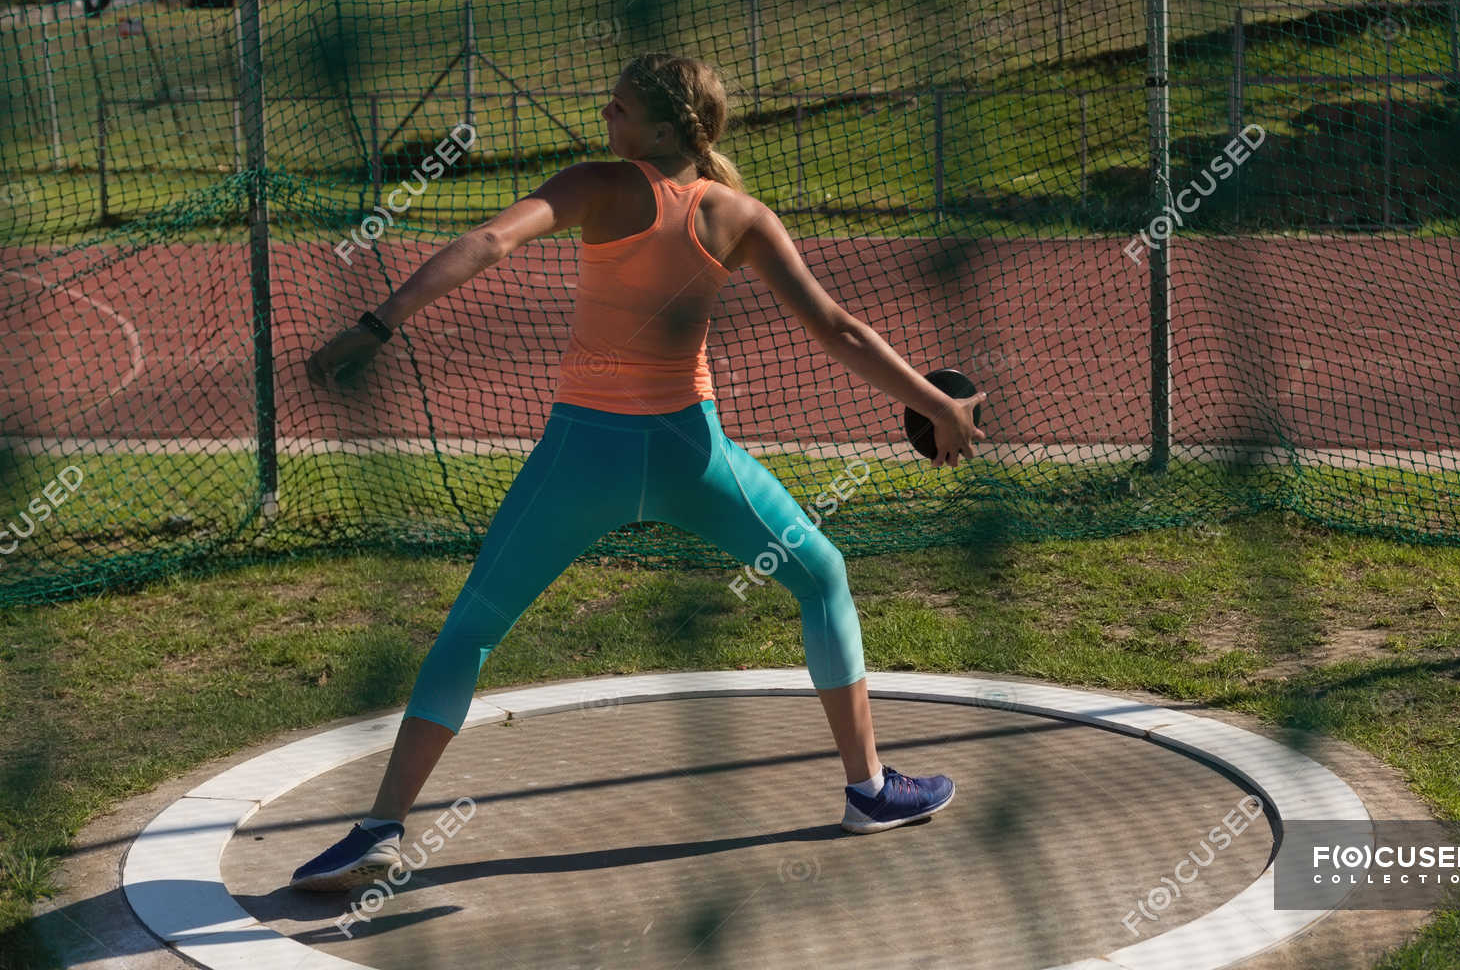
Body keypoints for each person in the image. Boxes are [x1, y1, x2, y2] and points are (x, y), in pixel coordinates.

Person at [289, 52, 985, 892]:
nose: (605, 117)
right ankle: (868, 790)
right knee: (822, 576)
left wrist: (378, 323)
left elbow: (488, 241)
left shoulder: (595, 186)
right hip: (693, 457)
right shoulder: (739, 215)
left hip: (582, 458)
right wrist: (940, 407)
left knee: (471, 628)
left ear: (662, 127)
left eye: (618, 108)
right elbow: (838, 330)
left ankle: (381, 827)